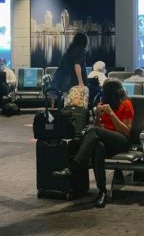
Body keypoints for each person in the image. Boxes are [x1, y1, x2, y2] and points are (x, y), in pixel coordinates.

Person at [54, 79, 133, 208]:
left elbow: (127, 131)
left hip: (122, 141)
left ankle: (75, 167)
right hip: (106, 141)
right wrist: (97, 116)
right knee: (98, 148)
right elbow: (98, 130)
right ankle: (102, 192)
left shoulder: (126, 104)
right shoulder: (103, 104)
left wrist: (111, 114)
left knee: (95, 131)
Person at [48, 32, 88, 107]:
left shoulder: (69, 51)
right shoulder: (80, 50)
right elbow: (77, 65)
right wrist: (81, 82)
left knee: (67, 101)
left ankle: (66, 116)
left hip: (65, 81)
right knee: (76, 102)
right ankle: (75, 117)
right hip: (73, 81)